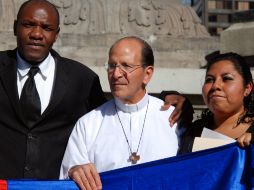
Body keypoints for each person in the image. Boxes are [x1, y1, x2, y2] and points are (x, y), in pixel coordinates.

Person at [0, 0, 189, 179]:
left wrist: (171, 101)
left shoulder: (81, 79)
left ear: (56, 34)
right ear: (16, 26)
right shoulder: (88, 123)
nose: (36, 34)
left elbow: (122, 109)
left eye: (47, 28)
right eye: (28, 24)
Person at [59, 36, 182, 190]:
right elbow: (67, 180)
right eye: (111, 66)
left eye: (126, 66)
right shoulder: (88, 124)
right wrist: (74, 171)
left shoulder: (171, 119)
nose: (116, 74)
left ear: (147, 74)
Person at [179, 52, 254, 154]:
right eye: (209, 80)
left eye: (227, 78)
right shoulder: (191, 133)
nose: (215, 86)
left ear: (247, 88)